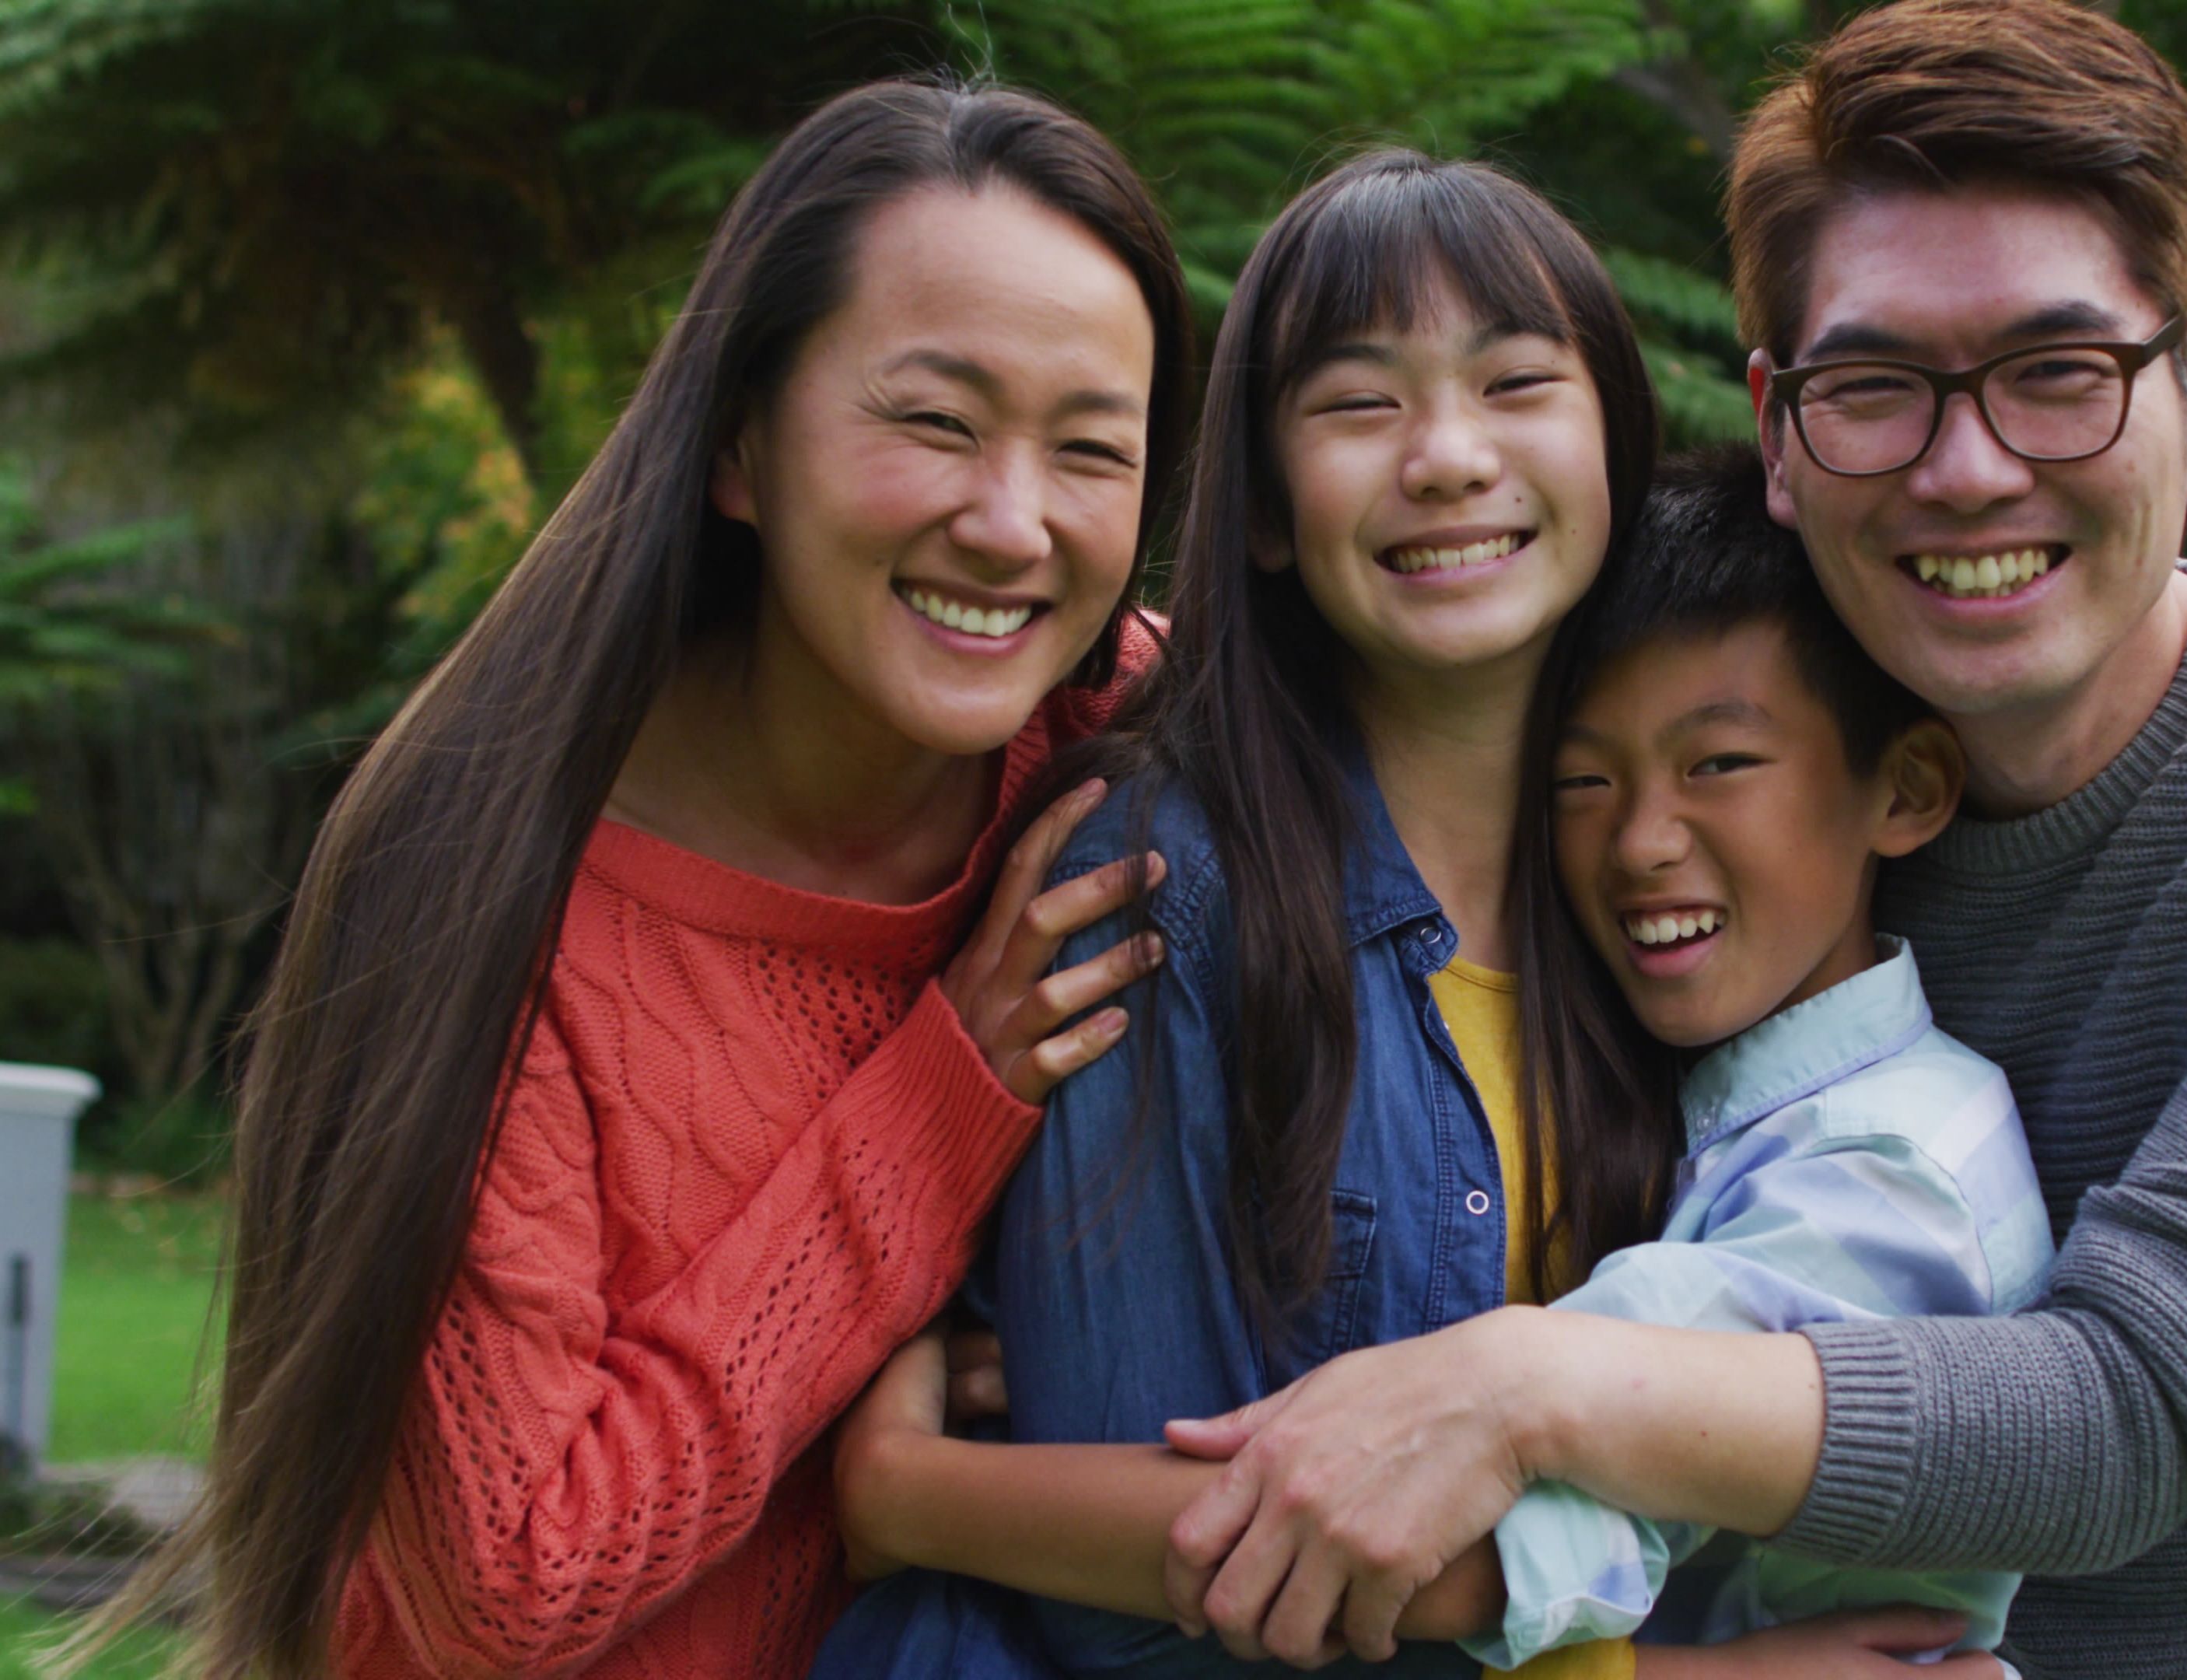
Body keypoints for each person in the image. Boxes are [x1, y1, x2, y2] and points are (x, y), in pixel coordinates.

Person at [1146, 3, 2187, 1675]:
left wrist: (1516, 1387)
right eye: (1875, 387)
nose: (1967, 467)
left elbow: (2133, 1411)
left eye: (2059, 375)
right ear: (1782, 431)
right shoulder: (1760, 781)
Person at [817, 150, 2006, 1680]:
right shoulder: (1166, 887)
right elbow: (1127, 1619)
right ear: (1263, 509)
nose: (1446, 457)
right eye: (1360, 403)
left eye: (1516, 384)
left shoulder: (1662, 923)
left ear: (1612, 448)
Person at [62, 80, 1194, 1680]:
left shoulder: (1115, 739)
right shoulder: (483, 894)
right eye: (934, 421)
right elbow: (513, 1583)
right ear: (740, 442)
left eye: (1091, 449)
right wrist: (947, 1105)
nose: (1011, 524)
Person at [1466, 445, 2049, 1672]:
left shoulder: (1874, 1178)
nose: (1640, 841)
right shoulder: (1725, 1108)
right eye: (1581, 779)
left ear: (1906, 787)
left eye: (1718, 765)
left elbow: (1461, 1541)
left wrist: (954, 1495)